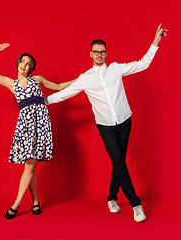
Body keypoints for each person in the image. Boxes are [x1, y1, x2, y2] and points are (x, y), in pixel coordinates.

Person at [45, 24, 167, 222]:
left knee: (118, 163)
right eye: (96, 52)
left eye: (102, 52)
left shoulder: (116, 69)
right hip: (106, 127)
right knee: (119, 162)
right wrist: (40, 102)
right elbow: (63, 94)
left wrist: (155, 42)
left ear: (106, 53)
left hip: (125, 122)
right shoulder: (85, 78)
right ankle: (136, 205)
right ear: (90, 54)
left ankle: (111, 198)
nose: (99, 55)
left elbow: (143, 63)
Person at [0, 43, 75, 219]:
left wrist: (79, 80)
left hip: (40, 123)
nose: (24, 65)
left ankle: (16, 203)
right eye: (22, 62)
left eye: (28, 63)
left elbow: (56, 86)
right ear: (18, 63)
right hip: (25, 126)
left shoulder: (37, 79)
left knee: (30, 165)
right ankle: (35, 202)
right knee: (30, 165)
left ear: (31, 67)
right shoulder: (11, 83)